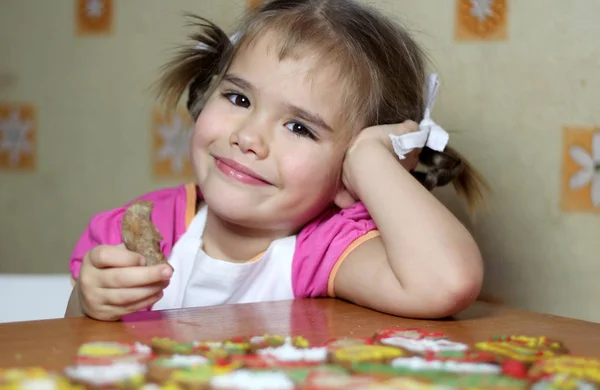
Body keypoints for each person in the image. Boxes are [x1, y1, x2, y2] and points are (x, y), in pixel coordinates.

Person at [65, 0, 487, 322]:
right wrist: (88, 304)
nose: (247, 137)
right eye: (238, 98)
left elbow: (448, 281)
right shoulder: (135, 232)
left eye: (299, 127)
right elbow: (67, 348)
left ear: (348, 178)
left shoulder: (320, 253)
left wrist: (371, 160)